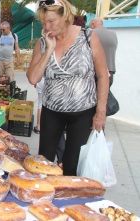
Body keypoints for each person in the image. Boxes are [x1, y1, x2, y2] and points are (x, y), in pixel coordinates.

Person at [26, 0, 109, 175]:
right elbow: (33, 78)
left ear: (65, 17)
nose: (47, 26)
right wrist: (49, 50)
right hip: (52, 112)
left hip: (83, 113)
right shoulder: (42, 43)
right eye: (44, 22)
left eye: (51, 21)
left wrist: (100, 112)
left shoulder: (89, 37)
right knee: (43, 164)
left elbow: (103, 75)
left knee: (72, 165)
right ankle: (44, 200)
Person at [90, 18, 118, 87]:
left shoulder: (91, 33)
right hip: (110, 72)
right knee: (105, 96)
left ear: (93, 24)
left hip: (95, 72)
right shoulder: (113, 34)